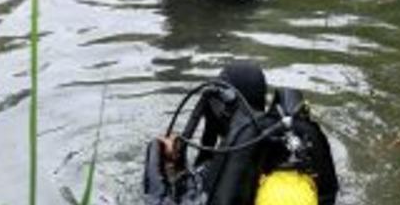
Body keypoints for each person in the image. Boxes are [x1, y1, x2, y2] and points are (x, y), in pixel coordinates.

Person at [144, 61, 339, 205]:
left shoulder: (225, 166)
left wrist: (157, 154)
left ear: (222, 110)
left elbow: (159, 200)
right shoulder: (292, 149)